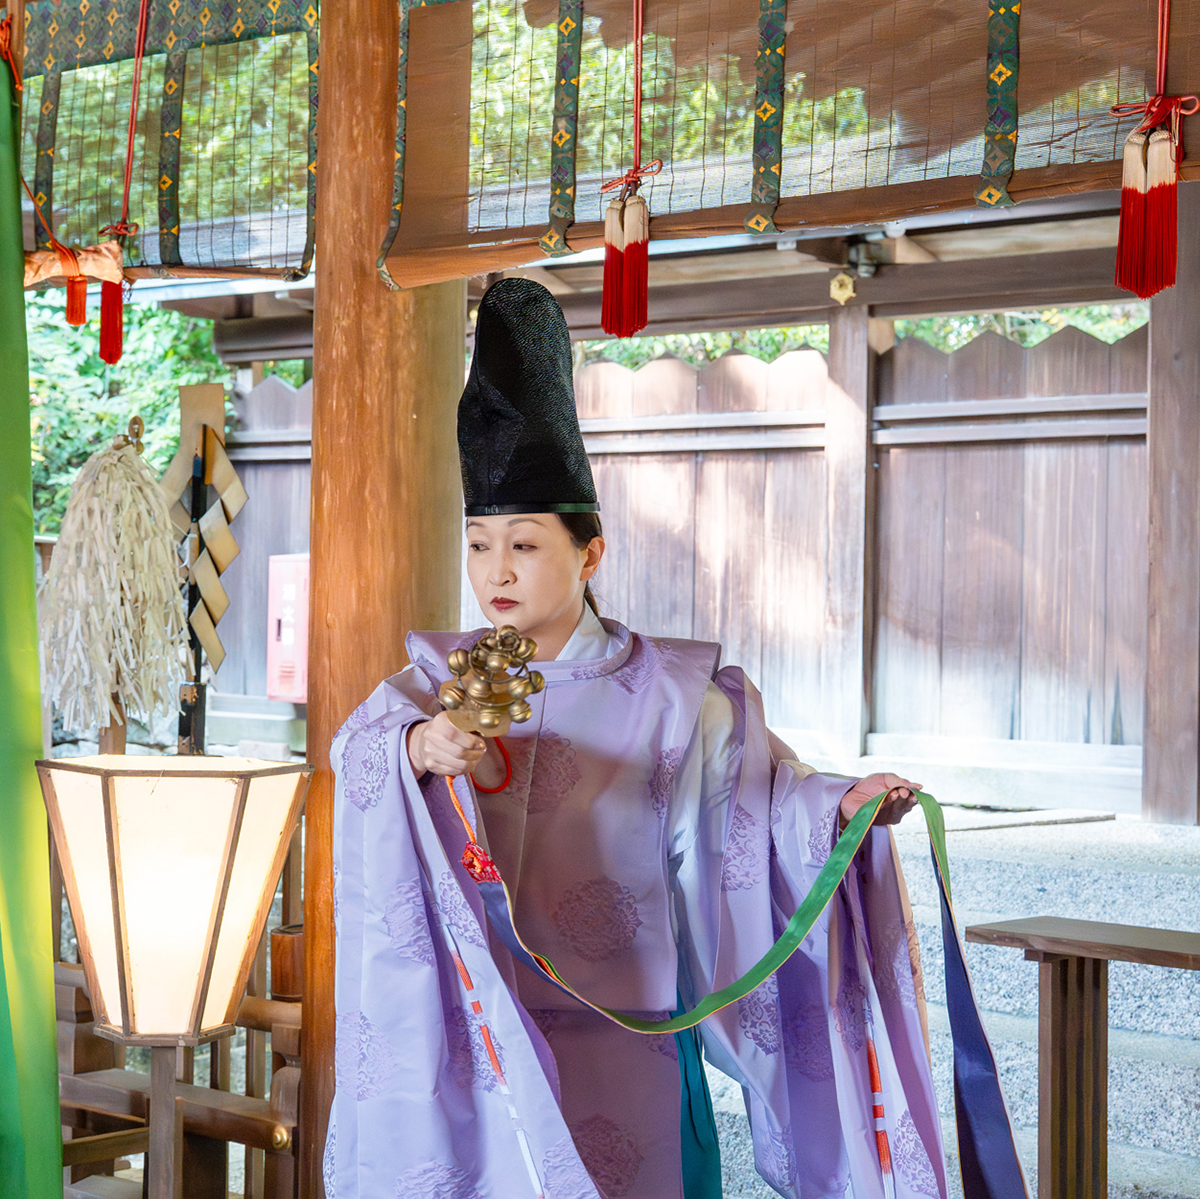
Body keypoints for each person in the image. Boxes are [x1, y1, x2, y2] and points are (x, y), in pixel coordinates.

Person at [326, 279, 948, 1199]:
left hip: (637, 1045)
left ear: (591, 551)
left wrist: (841, 809)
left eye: (525, 544)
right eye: (480, 543)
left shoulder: (674, 695)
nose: (495, 572)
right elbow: (361, 754)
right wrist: (417, 753)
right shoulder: (430, 684)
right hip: (482, 1047)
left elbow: (761, 810)